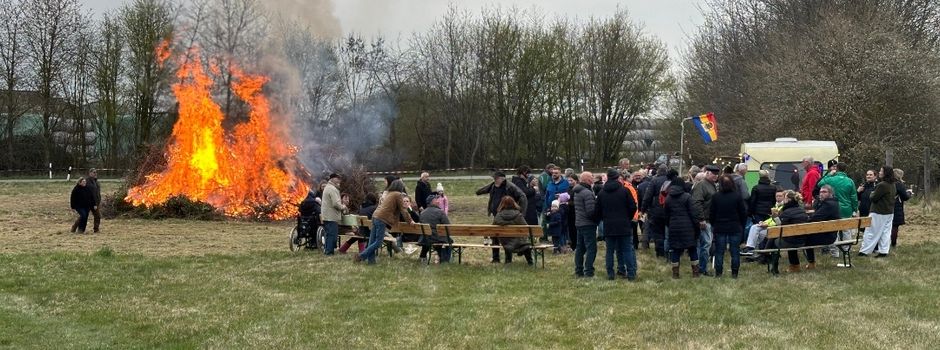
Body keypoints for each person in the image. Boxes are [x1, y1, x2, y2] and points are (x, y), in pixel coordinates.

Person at [355, 180, 414, 264]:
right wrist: (410, 220)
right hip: (382, 219)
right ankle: (361, 256)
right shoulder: (398, 195)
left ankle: (371, 262)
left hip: (375, 216)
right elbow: (403, 210)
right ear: (400, 187)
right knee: (378, 242)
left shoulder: (389, 193)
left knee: (372, 241)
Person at [595, 169, 638, 281]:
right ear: (617, 178)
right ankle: (631, 273)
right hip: (624, 224)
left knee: (610, 251)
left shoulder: (601, 193)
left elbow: (597, 211)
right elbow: (633, 207)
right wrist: (627, 218)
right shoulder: (625, 191)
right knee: (627, 249)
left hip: (609, 225)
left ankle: (610, 273)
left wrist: (604, 218)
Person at [476, 171, 528, 263]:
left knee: (508, 236)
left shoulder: (510, 186)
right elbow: (483, 189)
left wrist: (521, 212)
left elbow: (523, 196)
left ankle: (510, 258)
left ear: (502, 178)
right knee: (495, 235)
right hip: (498, 215)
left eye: (496, 178)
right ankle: (496, 258)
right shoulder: (493, 185)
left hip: (510, 215)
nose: (494, 180)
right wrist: (478, 192)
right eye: (494, 179)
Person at [816, 162, 858, 257]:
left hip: (832, 208)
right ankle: (846, 250)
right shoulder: (850, 181)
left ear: (837, 169)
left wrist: (828, 174)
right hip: (846, 209)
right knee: (846, 230)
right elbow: (853, 197)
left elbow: (820, 184)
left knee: (833, 230)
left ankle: (835, 252)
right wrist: (854, 208)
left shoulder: (830, 179)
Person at [710, 175, 748, 278]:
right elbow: (743, 213)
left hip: (720, 227)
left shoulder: (715, 197)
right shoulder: (737, 196)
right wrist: (742, 225)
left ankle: (718, 273)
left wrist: (713, 224)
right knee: (735, 251)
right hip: (735, 227)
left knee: (719, 251)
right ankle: (734, 273)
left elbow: (712, 213)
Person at [664, 178, 699, 279]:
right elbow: (693, 213)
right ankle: (695, 273)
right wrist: (696, 226)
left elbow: (666, 216)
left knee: (675, 250)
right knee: (692, 249)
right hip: (688, 227)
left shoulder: (668, 198)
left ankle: (675, 274)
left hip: (674, 227)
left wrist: (670, 225)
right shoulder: (687, 197)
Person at [859, 166, 897, 257]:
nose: (879, 172)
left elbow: (873, 198)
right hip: (889, 212)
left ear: (885, 173)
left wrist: (872, 193)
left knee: (871, 232)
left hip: (878, 212)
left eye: (881, 171)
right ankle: (883, 251)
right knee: (885, 233)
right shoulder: (892, 184)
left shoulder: (882, 185)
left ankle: (864, 251)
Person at [691, 165, 718, 276]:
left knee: (705, 244)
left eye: (717, 174)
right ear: (707, 173)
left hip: (710, 219)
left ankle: (700, 268)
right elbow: (697, 203)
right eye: (713, 174)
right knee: (705, 245)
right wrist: (701, 219)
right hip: (704, 220)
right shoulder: (701, 185)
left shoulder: (712, 185)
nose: (715, 176)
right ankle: (701, 269)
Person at [492, 196, 534, 265]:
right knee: (523, 243)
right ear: (513, 203)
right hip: (518, 241)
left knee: (508, 241)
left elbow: (493, 229)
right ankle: (529, 261)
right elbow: (526, 228)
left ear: (502, 204)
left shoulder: (498, 216)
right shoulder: (518, 215)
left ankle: (508, 261)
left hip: (504, 241)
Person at [742, 189, 785, 255]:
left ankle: (751, 250)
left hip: (776, 230)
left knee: (756, 231)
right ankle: (751, 250)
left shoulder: (783, 207)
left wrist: (767, 225)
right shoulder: (776, 205)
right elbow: (771, 219)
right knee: (755, 228)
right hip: (772, 228)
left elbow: (778, 221)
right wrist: (764, 222)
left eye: (780, 196)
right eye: (777, 196)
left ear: (784, 197)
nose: (778, 198)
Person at [641, 164, 671, 257]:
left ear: (658, 171)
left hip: (656, 210)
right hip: (670, 209)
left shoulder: (654, 181)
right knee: (668, 231)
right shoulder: (671, 181)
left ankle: (660, 252)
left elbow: (648, 196)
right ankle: (668, 251)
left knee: (657, 232)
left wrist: (643, 209)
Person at [572, 172, 598, 277]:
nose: (593, 178)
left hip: (579, 222)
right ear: (587, 179)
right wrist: (597, 217)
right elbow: (590, 211)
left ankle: (578, 270)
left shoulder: (577, 191)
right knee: (591, 248)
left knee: (580, 248)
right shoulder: (587, 193)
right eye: (592, 177)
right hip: (588, 224)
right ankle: (589, 271)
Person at [419, 194, 452, 263]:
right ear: (432, 201)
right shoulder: (440, 212)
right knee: (450, 241)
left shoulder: (422, 213)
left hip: (426, 239)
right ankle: (446, 260)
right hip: (438, 238)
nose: (438, 201)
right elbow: (448, 226)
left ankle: (423, 257)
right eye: (437, 200)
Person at [320, 173, 348, 255]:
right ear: (332, 179)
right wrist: (343, 207)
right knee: (332, 235)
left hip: (327, 215)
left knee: (329, 234)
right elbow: (336, 204)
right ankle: (329, 252)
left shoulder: (328, 187)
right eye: (337, 178)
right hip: (331, 216)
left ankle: (327, 250)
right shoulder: (332, 189)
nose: (339, 180)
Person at [891, 168, 912, 248]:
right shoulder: (899, 184)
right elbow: (905, 197)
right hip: (896, 206)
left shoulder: (888, 183)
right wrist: (909, 193)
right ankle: (893, 243)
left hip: (888, 206)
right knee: (895, 226)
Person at [86, 168, 102, 233]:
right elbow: (92, 194)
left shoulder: (96, 182)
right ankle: (75, 227)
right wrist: (94, 203)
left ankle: (96, 229)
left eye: (96, 172)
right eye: (94, 172)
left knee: (97, 216)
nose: (95, 174)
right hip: (89, 202)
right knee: (84, 216)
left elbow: (97, 193)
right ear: (90, 173)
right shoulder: (88, 182)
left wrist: (98, 201)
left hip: (96, 202)